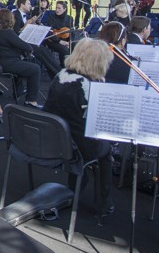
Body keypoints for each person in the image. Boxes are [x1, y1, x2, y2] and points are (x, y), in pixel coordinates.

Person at [42, 38, 116, 215]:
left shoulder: (59, 76)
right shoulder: (89, 87)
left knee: (75, 132)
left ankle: (75, 186)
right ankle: (104, 202)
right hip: (76, 147)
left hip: (51, 139)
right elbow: (99, 120)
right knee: (106, 150)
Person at [0, 9, 41, 106]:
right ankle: (31, 100)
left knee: (21, 63)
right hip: (7, 64)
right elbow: (28, 48)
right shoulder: (7, 32)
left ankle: (19, 91)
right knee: (35, 69)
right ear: (9, 20)